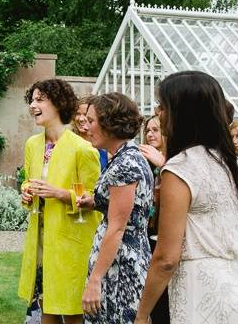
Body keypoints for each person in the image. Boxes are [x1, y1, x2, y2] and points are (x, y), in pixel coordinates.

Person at [134, 71, 238, 324]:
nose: (159, 113)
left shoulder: (180, 169)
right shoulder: (231, 163)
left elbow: (165, 259)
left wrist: (141, 315)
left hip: (201, 291)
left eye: (163, 106)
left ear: (181, 112)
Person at [19, 79, 102, 324]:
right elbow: (28, 181)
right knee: (47, 306)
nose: (33, 105)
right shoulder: (32, 145)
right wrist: (26, 192)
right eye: (31, 100)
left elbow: (96, 199)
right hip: (41, 241)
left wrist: (60, 194)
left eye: (39, 99)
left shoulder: (83, 149)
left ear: (58, 104)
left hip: (71, 242)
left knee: (72, 309)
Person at [77, 92, 153, 324]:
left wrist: (95, 280)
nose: (85, 126)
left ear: (109, 124)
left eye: (91, 121)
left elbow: (118, 228)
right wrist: (95, 202)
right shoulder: (127, 157)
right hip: (124, 260)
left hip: (120, 268)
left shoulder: (125, 165)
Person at [138, 115, 169, 323]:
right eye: (148, 130)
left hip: (165, 231)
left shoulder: (172, 161)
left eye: (156, 130)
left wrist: (162, 165)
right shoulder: (143, 160)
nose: (150, 134)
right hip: (147, 231)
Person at [73, 96, 108, 170]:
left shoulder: (105, 148)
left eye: (85, 114)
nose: (81, 119)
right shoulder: (69, 142)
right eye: (78, 114)